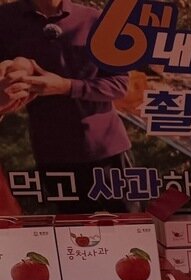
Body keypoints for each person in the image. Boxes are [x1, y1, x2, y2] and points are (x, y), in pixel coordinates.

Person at [0, 0, 132, 214]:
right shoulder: (5, 20)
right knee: (71, 237)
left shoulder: (94, 20)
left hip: (106, 149)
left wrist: (65, 86)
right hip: (53, 154)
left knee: (128, 231)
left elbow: (118, 84)